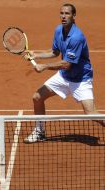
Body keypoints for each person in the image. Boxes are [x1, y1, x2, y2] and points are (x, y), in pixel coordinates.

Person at [23, 3, 103, 143]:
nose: (63, 16)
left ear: (74, 16)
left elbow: (66, 64)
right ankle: (40, 132)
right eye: (61, 13)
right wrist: (36, 55)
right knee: (37, 97)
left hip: (80, 80)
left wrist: (45, 67)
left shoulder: (77, 37)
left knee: (91, 113)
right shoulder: (58, 30)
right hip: (64, 77)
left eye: (67, 13)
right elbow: (55, 52)